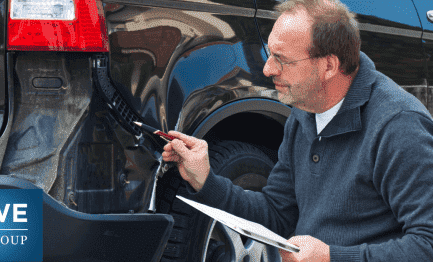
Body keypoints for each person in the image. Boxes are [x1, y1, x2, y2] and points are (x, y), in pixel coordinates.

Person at [162, 0, 433, 261]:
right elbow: (276, 214)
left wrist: (332, 257)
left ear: (328, 65)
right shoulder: (306, 112)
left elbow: (427, 244)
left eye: (282, 60)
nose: (268, 69)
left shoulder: (398, 125)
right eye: (270, 54)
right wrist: (206, 180)